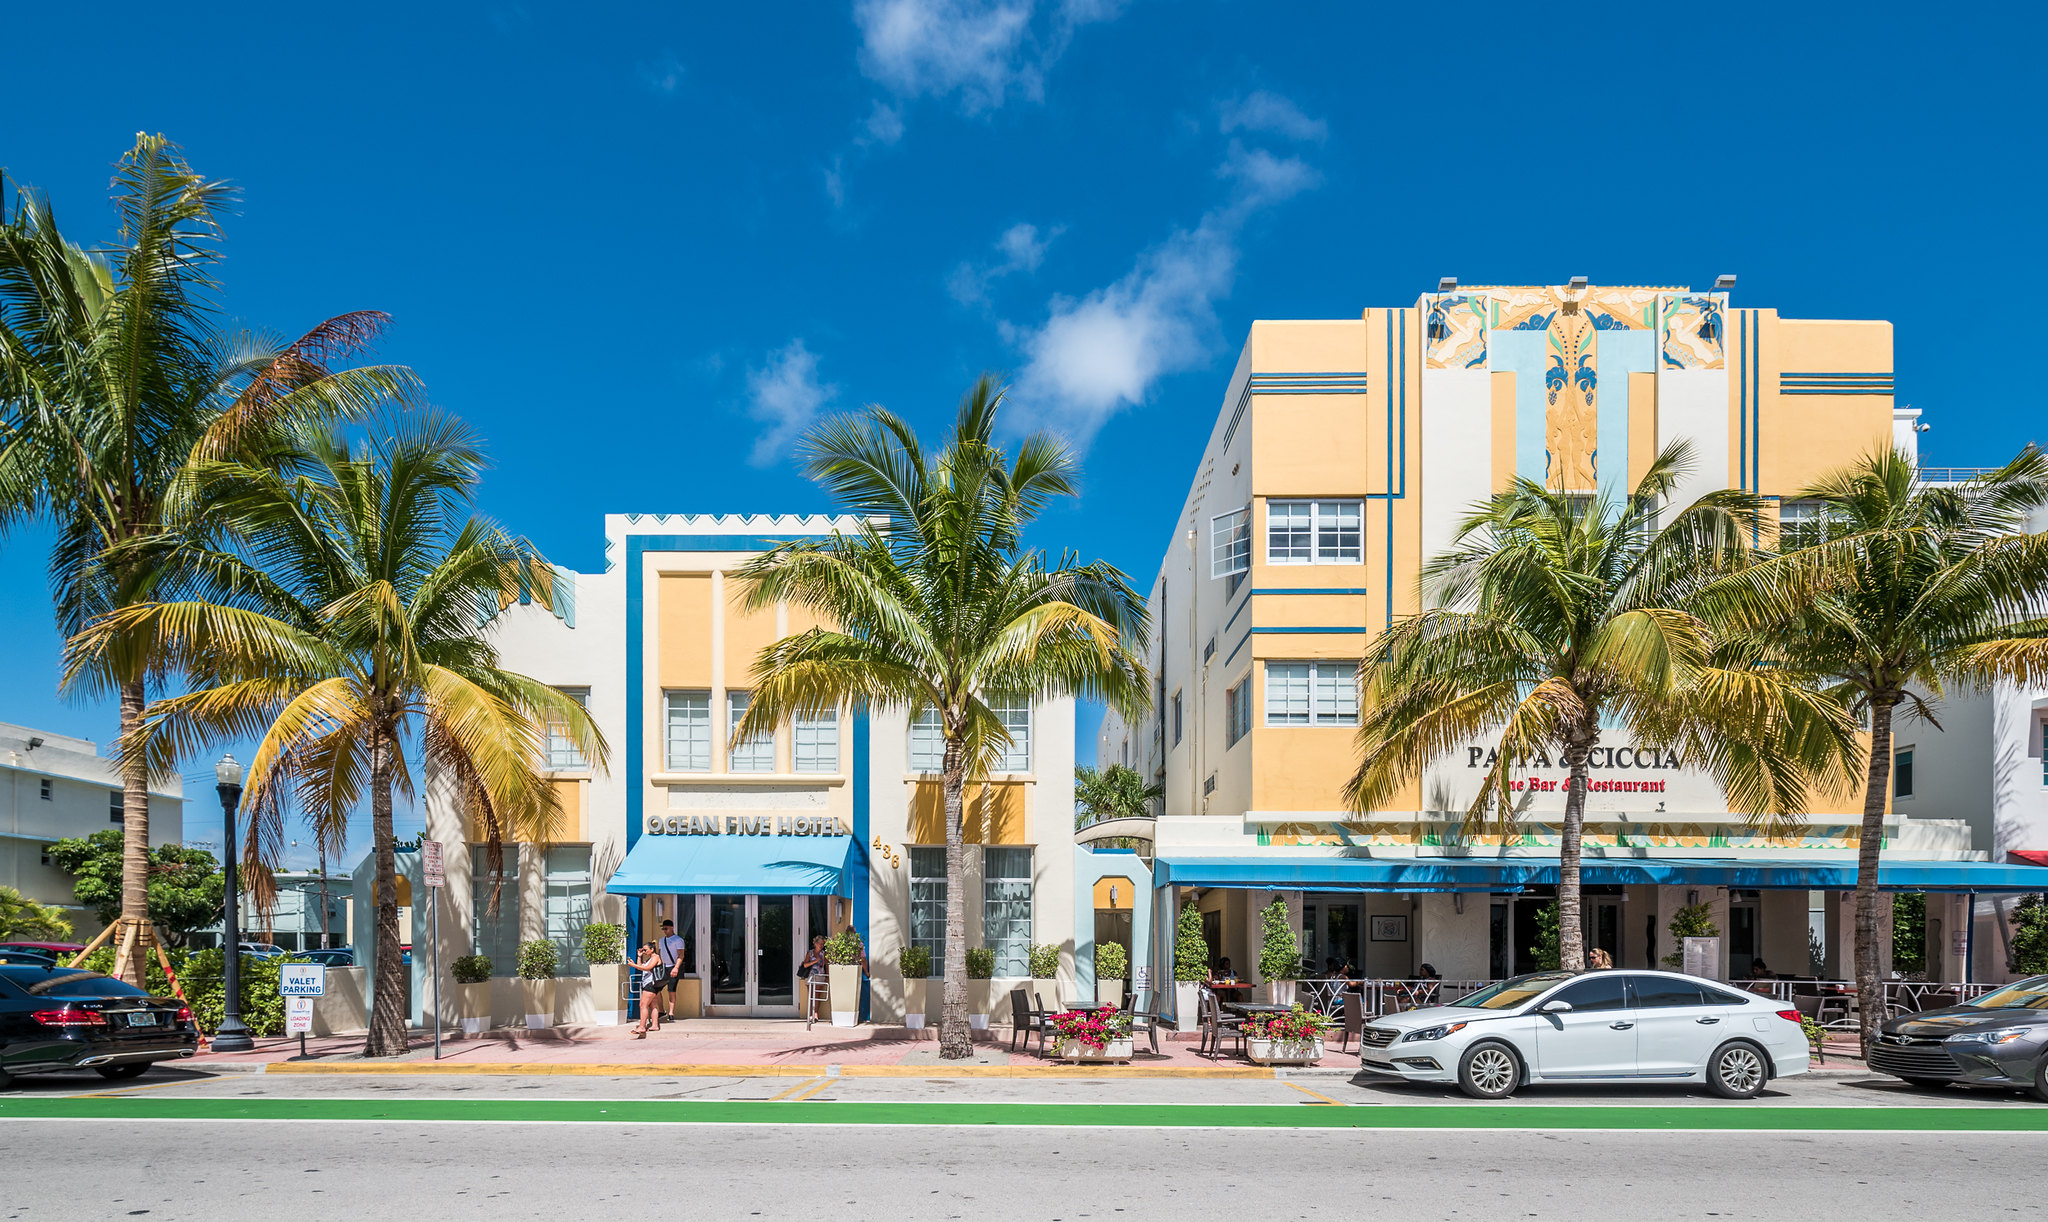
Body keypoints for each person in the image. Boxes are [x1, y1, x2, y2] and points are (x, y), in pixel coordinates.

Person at [628, 942, 664, 1038]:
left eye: (645, 950)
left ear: (652, 949)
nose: (644, 951)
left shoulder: (655, 957)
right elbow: (643, 968)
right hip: (650, 984)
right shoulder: (649, 959)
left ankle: (642, 1026)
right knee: (653, 1005)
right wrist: (639, 957)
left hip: (651, 984)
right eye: (642, 950)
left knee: (643, 1005)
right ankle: (655, 1025)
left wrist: (633, 965)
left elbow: (648, 968)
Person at [657, 919, 688, 1021]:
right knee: (656, 989)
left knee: (671, 990)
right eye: (663, 929)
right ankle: (661, 1011)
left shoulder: (678, 940)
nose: (665, 931)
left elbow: (681, 955)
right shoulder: (662, 940)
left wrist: (676, 967)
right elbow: (660, 954)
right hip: (663, 967)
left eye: (666, 928)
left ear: (672, 928)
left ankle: (671, 1013)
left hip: (672, 966)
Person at [800, 934, 831, 1020]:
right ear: (815, 943)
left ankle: (815, 1014)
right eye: (820, 943)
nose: (821, 945)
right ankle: (811, 1013)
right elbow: (805, 965)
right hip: (810, 975)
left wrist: (827, 975)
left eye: (822, 944)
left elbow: (826, 965)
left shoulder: (824, 953)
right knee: (811, 995)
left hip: (820, 975)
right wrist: (814, 961)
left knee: (817, 995)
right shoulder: (809, 953)